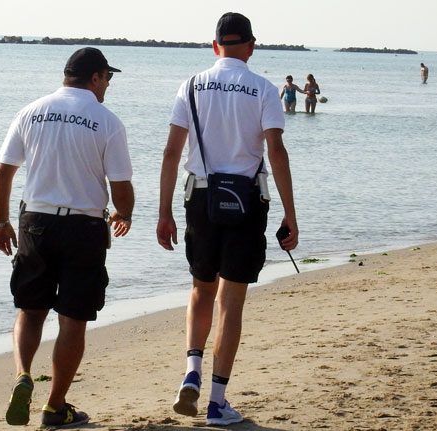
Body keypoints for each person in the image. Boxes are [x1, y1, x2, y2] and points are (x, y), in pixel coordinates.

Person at [156, 12, 299, 426]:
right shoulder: (264, 89)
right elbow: (277, 152)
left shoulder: (192, 85)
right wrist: (290, 213)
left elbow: (170, 153)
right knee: (231, 301)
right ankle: (218, 402)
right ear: (251, 46)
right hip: (246, 200)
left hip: (199, 198)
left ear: (215, 45)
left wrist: (164, 212)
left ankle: (191, 369)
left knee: (201, 289)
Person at [0, 47, 134, 428]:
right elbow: (120, 184)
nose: (108, 85)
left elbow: (3, 174)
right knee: (73, 318)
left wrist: (1, 222)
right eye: (108, 77)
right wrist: (125, 213)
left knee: (29, 308)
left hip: (35, 221)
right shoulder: (106, 121)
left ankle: (23, 373)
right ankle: (55, 406)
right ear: (95, 77)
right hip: (83, 227)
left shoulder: (31, 111)